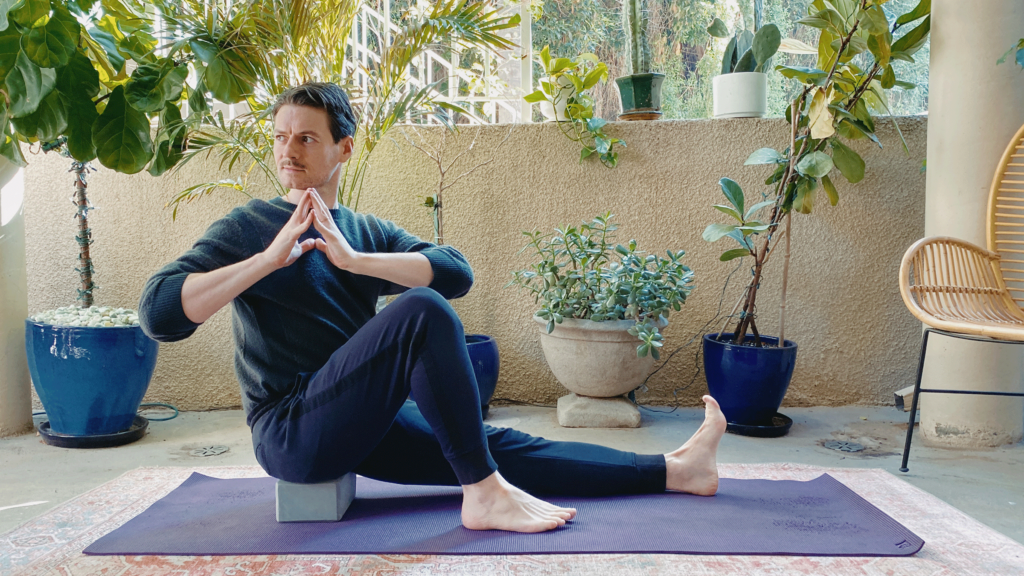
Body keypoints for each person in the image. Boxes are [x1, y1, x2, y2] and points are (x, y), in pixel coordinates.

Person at [139, 82, 727, 534]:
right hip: (292, 431)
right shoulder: (251, 225)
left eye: (306, 138)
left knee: (497, 445)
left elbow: (456, 271)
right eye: (280, 136)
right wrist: (267, 260)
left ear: (344, 147)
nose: (288, 150)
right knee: (420, 312)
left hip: (366, 421)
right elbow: (159, 313)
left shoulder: (363, 230)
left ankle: (678, 471)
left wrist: (356, 262)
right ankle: (483, 495)